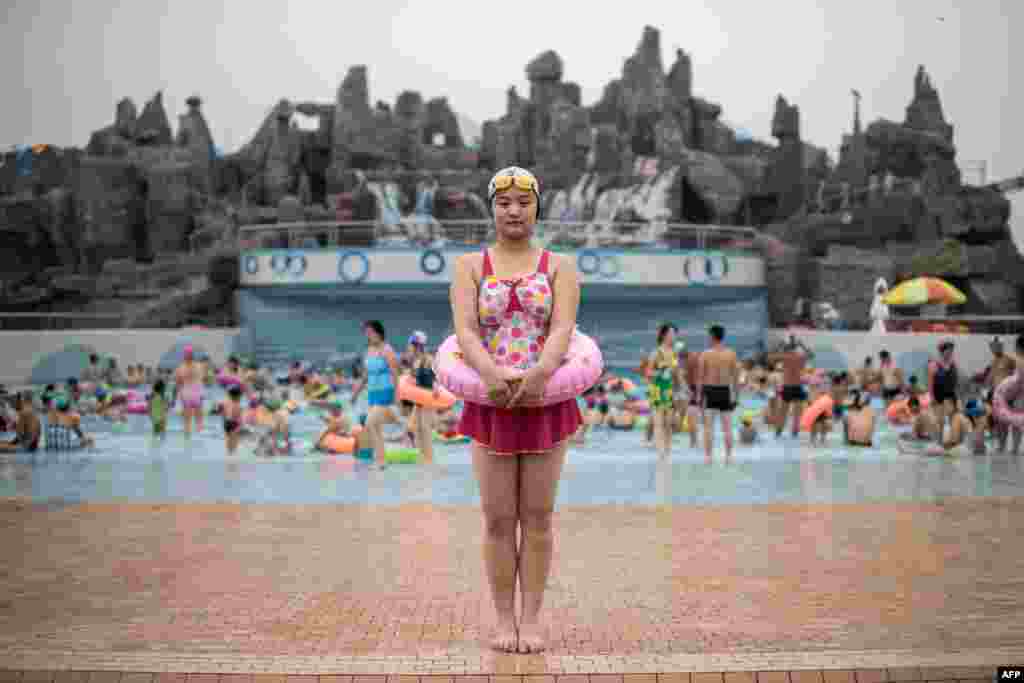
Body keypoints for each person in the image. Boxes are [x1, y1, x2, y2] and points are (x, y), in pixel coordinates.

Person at [449, 166, 582, 654]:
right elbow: (465, 330)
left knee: (539, 515)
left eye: (522, 202)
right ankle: (503, 620)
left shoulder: (559, 265)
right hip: (491, 401)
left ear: (536, 207)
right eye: (503, 202)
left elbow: (564, 327)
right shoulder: (469, 265)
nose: (513, 210)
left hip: (546, 399)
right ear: (492, 207)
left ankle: (532, 619)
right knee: (498, 519)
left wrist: (542, 374)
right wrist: (488, 374)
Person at [350, 320, 402, 470]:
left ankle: (400, 423)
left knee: (370, 422)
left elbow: (395, 373)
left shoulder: (387, 349)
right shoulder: (369, 351)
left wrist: (397, 394)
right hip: (372, 393)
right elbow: (365, 376)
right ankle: (381, 461)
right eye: (366, 333)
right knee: (375, 427)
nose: (368, 336)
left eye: (370, 332)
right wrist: (355, 393)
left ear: (378, 332)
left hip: (386, 391)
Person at [697, 324, 739, 461]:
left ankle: (708, 456)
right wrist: (736, 396)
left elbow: (700, 378)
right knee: (727, 427)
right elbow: (735, 378)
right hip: (724, 391)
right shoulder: (731, 354)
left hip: (710, 391)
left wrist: (698, 396)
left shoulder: (705, 354)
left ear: (712, 336)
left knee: (708, 428)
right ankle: (729, 456)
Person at [646, 323, 682, 459]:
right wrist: (660, 371)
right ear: (664, 335)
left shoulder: (674, 353)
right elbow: (648, 373)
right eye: (672, 334)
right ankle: (661, 452)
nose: (674, 336)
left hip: (669, 389)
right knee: (659, 421)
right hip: (657, 389)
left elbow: (677, 374)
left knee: (669, 421)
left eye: (675, 334)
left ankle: (667, 450)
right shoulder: (656, 353)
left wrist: (683, 389)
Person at [408, 330, 439, 464]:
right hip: (418, 399)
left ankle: (429, 459)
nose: (409, 347)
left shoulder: (428, 359)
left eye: (411, 345)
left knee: (425, 429)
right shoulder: (414, 361)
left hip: (427, 397)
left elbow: (437, 376)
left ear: (417, 345)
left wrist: (436, 387)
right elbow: (413, 380)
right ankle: (422, 456)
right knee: (415, 428)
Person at [773, 336, 812, 438]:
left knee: (782, 413)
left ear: (787, 348)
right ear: (796, 348)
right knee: (797, 414)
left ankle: (778, 432)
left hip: (787, 387)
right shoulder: (800, 357)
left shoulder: (784, 357)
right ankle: (794, 432)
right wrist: (802, 345)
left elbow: (770, 356)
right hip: (798, 387)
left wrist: (780, 346)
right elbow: (811, 355)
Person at [928, 340, 959, 443]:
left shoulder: (953, 363)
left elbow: (955, 380)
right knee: (939, 420)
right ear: (942, 351)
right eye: (948, 351)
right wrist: (931, 397)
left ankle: (952, 440)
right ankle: (938, 441)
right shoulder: (934, 364)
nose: (950, 353)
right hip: (938, 395)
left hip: (950, 395)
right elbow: (930, 382)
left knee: (953, 419)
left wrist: (958, 395)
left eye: (951, 351)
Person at [172, 345, 205, 437]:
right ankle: (190, 434)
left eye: (188, 354)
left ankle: (192, 434)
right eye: (187, 354)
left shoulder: (197, 366)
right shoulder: (181, 368)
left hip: (193, 392)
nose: (188, 356)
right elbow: (178, 383)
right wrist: (176, 398)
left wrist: (175, 398)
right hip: (188, 393)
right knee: (189, 420)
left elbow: (201, 380)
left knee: (196, 419)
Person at [220, 385, 245, 454]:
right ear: (238, 396)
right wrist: (241, 425)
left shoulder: (225, 403)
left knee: (228, 441)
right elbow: (239, 418)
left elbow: (223, 414)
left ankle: (229, 454)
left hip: (226, 423)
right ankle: (232, 457)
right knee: (234, 443)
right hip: (235, 424)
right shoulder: (238, 405)